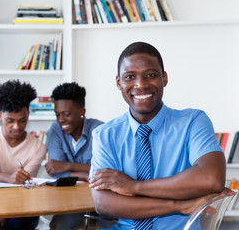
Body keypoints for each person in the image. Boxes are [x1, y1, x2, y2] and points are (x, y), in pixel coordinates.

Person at [88, 42, 234, 230]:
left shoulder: (193, 122)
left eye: (151, 75)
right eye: (130, 77)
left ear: (164, 78)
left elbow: (211, 179)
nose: (140, 85)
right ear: (119, 82)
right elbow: (104, 204)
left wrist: (133, 187)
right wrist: (180, 206)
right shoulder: (105, 135)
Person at [0, 79, 47, 230]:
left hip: (22, 206)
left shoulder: (38, 147)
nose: (17, 127)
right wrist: (9, 178)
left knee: (18, 223)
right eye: (10, 121)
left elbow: (24, 188)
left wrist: (6, 214)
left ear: (28, 114)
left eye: (22, 120)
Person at [44, 82, 103, 230]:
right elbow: (57, 171)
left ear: (82, 111)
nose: (61, 119)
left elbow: (107, 172)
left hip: (102, 198)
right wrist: (86, 174)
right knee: (58, 225)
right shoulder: (56, 130)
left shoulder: (100, 131)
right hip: (71, 200)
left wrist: (69, 166)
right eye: (57, 114)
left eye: (66, 114)